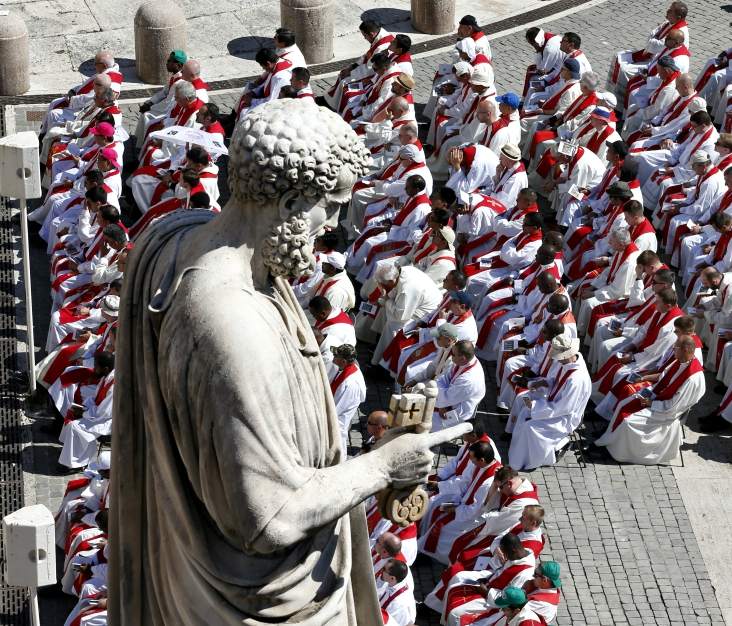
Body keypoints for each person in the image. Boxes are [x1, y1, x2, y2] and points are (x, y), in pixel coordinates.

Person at [110, 100, 468, 624]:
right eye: (332, 207)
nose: (333, 226)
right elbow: (266, 520)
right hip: (264, 594)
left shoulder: (181, 233)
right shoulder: (232, 329)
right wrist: (382, 467)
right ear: (292, 203)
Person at [590, 336, 704, 464]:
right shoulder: (680, 361)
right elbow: (663, 376)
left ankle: (617, 452)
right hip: (659, 398)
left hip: (666, 412)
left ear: (686, 350)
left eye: (675, 347)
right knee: (624, 403)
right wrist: (644, 379)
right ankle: (610, 437)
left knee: (629, 422)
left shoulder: (693, 379)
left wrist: (652, 403)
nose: (673, 350)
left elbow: (674, 406)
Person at [507, 335, 590, 470]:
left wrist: (535, 407)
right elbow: (553, 379)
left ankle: (535, 458)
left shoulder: (577, 379)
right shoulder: (568, 361)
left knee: (530, 427)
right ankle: (518, 450)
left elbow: (564, 408)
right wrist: (541, 382)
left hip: (565, 416)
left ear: (564, 355)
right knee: (523, 407)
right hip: (552, 402)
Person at [433, 340, 487, 431]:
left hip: (456, 416)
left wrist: (444, 403)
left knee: (420, 419)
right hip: (449, 402)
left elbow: (446, 397)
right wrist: (443, 404)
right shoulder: (463, 362)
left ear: (462, 358)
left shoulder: (468, 379)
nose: (451, 355)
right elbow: (442, 379)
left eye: (453, 354)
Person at [330, 344, 366, 453]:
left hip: (337, 424)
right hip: (336, 420)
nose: (333, 356)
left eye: (336, 355)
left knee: (338, 449)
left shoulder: (349, 384)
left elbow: (336, 409)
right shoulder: (346, 369)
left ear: (343, 361)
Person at [378, 560, 416, 626]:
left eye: (384, 570)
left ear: (393, 578)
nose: (382, 571)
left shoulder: (398, 606)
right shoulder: (396, 583)